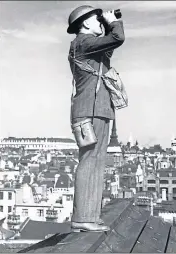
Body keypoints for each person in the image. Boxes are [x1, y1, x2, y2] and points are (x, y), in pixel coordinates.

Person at [66, 5, 125, 232]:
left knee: (96, 163)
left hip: (96, 109)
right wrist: (112, 23)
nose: (100, 22)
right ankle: (82, 217)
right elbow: (117, 38)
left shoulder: (87, 47)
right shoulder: (83, 43)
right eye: (96, 19)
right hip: (91, 111)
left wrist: (107, 27)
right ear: (86, 23)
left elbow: (109, 48)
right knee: (90, 162)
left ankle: (89, 216)